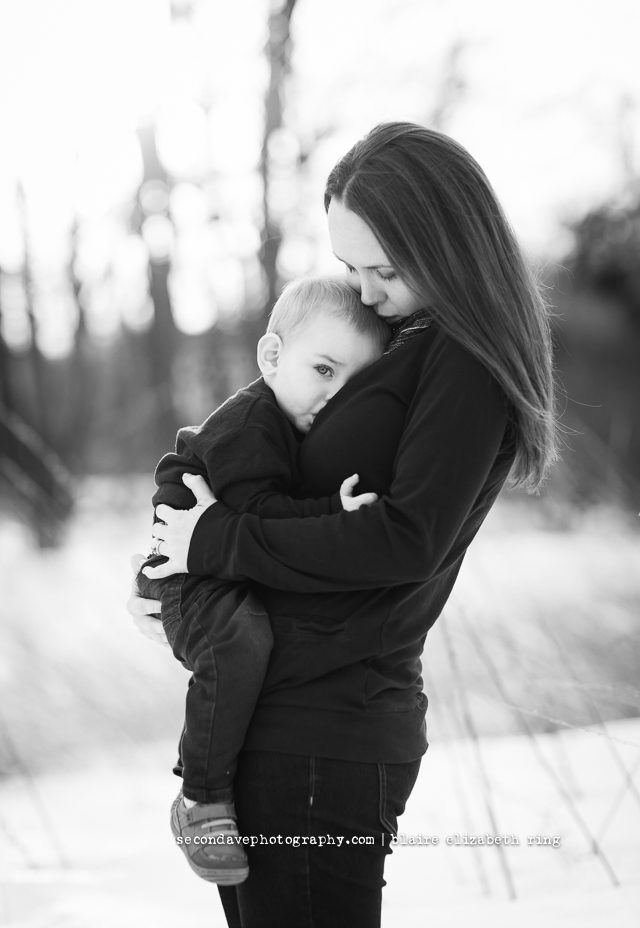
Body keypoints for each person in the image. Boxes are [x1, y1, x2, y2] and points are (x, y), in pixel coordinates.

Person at [128, 122, 556, 928]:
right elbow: (267, 473)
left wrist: (213, 543)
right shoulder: (407, 335)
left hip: (326, 729)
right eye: (350, 267)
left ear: (450, 246)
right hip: (289, 723)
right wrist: (169, 568)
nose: (363, 292)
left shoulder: (461, 358)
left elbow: (404, 538)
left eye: (385, 269)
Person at [137, 277, 390, 884]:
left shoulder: (289, 418)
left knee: (256, 630)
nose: (335, 397)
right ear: (272, 357)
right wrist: (333, 511)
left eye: (352, 385)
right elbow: (256, 522)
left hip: (212, 558)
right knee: (239, 638)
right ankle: (201, 799)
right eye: (323, 370)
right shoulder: (250, 427)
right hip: (187, 572)